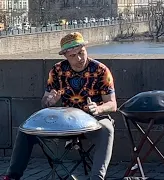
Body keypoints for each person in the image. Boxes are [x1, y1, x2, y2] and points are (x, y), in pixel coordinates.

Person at [2, 32, 117, 180]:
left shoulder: (101, 70)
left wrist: (98, 108)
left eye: (81, 52)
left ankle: (97, 177)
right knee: (26, 129)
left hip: (94, 119)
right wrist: (49, 101)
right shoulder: (57, 70)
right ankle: (12, 176)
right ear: (65, 56)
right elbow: (44, 103)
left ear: (86, 48)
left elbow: (112, 104)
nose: (79, 58)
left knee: (107, 129)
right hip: (66, 121)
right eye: (73, 56)